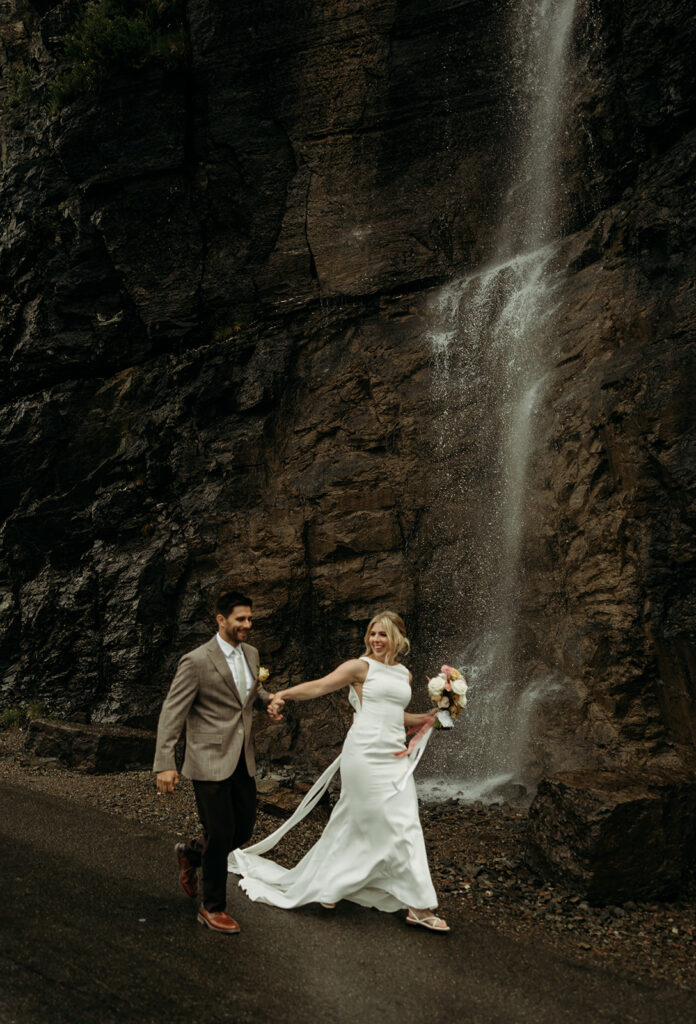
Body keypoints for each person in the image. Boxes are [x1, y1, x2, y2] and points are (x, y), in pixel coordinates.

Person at [228, 610, 449, 932]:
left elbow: (396, 715)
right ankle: (419, 906)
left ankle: (331, 884)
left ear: (397, 638)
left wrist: (432, 714)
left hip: (395, 756)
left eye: (383, 634)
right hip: (364, 754)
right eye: (372, 633)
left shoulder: (405, 674)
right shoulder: (359, 667)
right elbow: (319, 687)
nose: (376, 639)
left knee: (381, 821)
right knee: (385, 822)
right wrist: (283, 695)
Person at [153, 590, 280, 933]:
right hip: (207, 758)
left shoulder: (252, 653)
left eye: (250, 619)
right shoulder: (196, 661)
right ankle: (212, 907)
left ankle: (192, 854)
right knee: (221, 832)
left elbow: (250, 693)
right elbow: (172, 712)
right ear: (220, 620)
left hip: (243, 758)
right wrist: (166, 762)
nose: (247, 625)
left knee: (243, 830)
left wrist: (268, 700)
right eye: (240, 619)